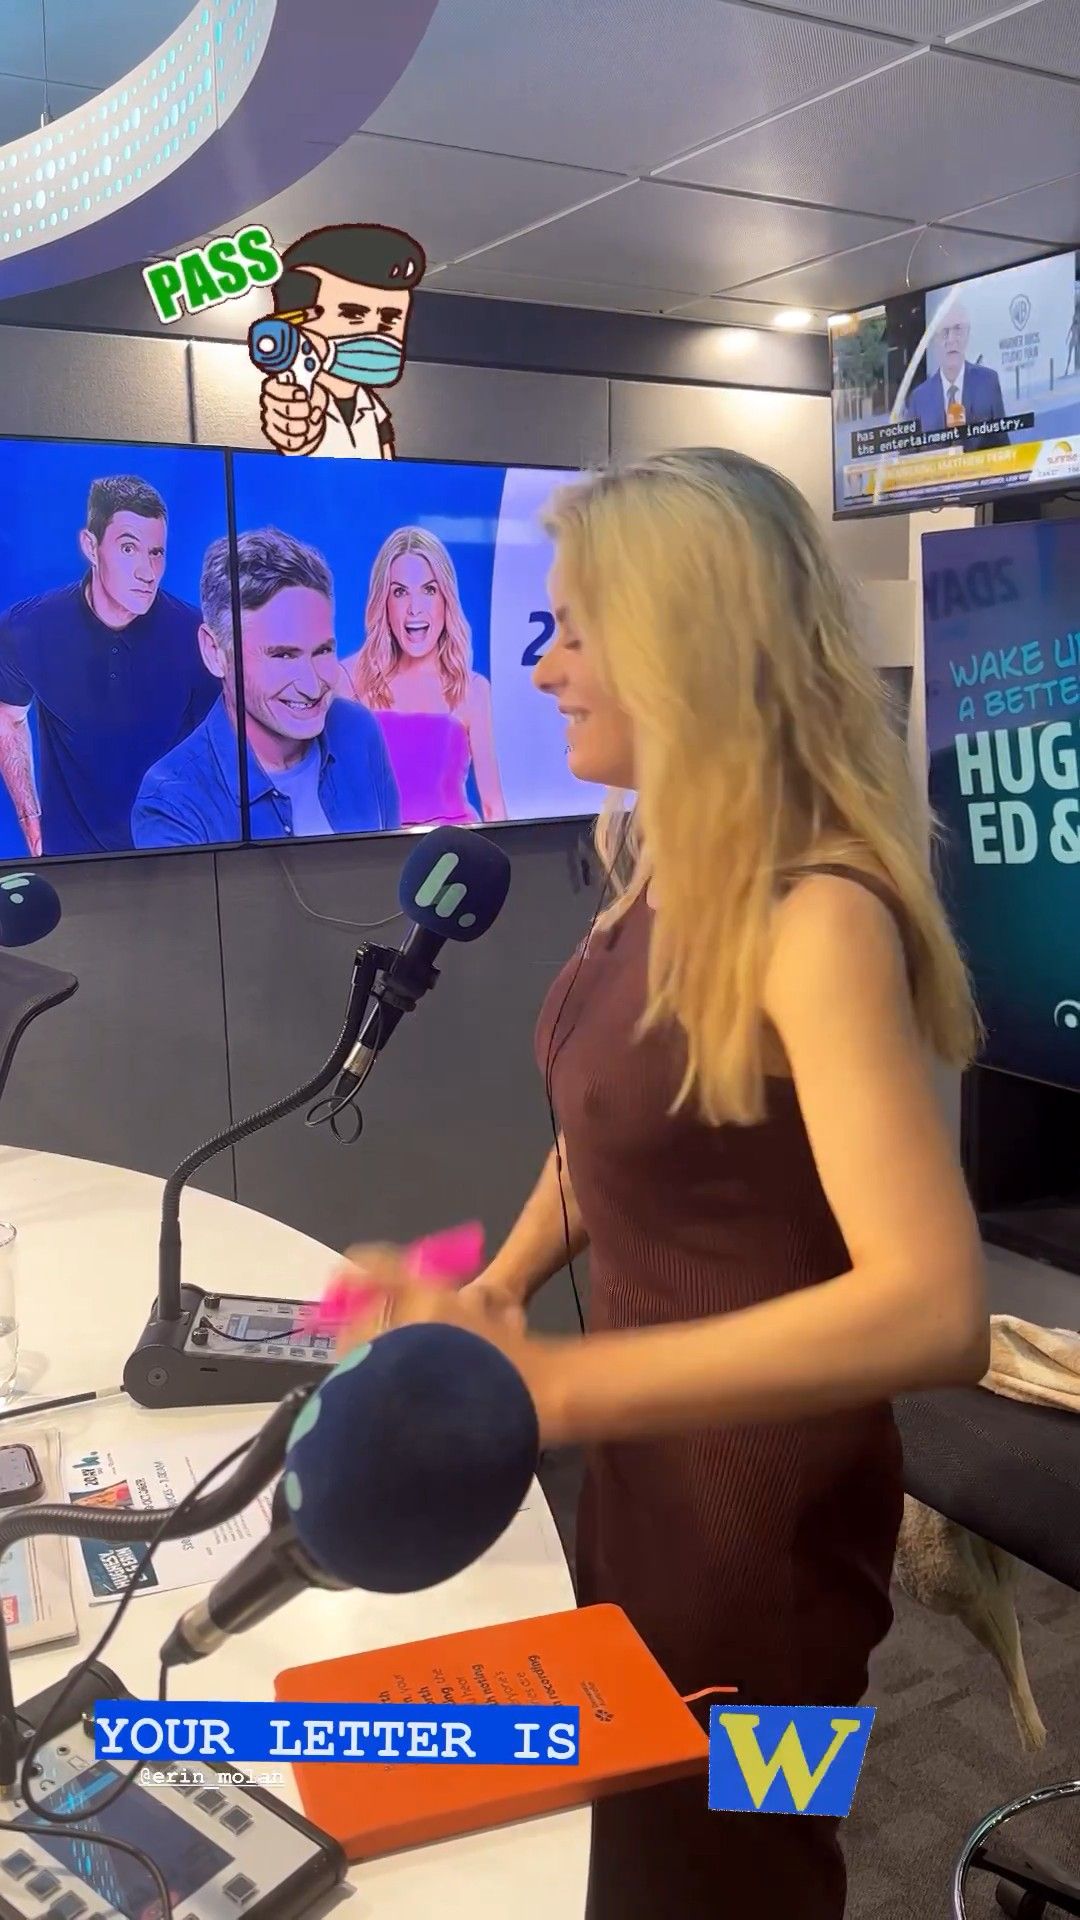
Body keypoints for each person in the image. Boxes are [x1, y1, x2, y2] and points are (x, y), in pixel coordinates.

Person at [326, 449, 989, 1919]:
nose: (544, 667)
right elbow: (610, 1128)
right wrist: (499, 1287)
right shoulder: (661, 873)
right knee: (642, 1856)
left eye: (574, 630)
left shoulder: (816, 916)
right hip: (647, 1484)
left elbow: (937, 1311)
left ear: (684, 641)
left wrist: (561, 1389)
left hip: (774, 1541)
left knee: (756, 1861)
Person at [133, 529, 400, 846]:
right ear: (215, 653)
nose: (312, 686)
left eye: (323, 651)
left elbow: (394, 869)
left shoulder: (359, 731)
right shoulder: (173, 804)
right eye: (283, 655)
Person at [0, 475, 215, 856]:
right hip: (72, 864)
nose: (147, 572)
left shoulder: (197, 638)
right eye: (129, 548)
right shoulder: (29, 627)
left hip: (176, 859)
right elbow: (8, 716)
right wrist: (29, 815)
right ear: (91, 546)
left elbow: (221, 749)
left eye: (156, 552)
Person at [340, 527, 507, 827]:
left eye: (429, 590)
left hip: (456, 848)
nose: (414, 609)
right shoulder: (351, 679)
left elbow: (493, 808)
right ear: (384, 603)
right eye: (400, 592)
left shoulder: (473, 690)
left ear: (446, 599)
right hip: (373, 850)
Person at [255, 223, 425, 460]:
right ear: (297, 324)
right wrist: (296, 426)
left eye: (389, 319)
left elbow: (388, 466)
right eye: (354, 315)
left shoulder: (373, 408)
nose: (375, 333)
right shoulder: (303, 397)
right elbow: (294, 428)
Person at [904, 303, 1010, 446]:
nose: (951, 339)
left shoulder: (988, 382)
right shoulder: (919, 398)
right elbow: (909, 454)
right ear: (934, 340)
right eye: (944, 332)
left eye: (958, 329)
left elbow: (1002, 445)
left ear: (967, 334)